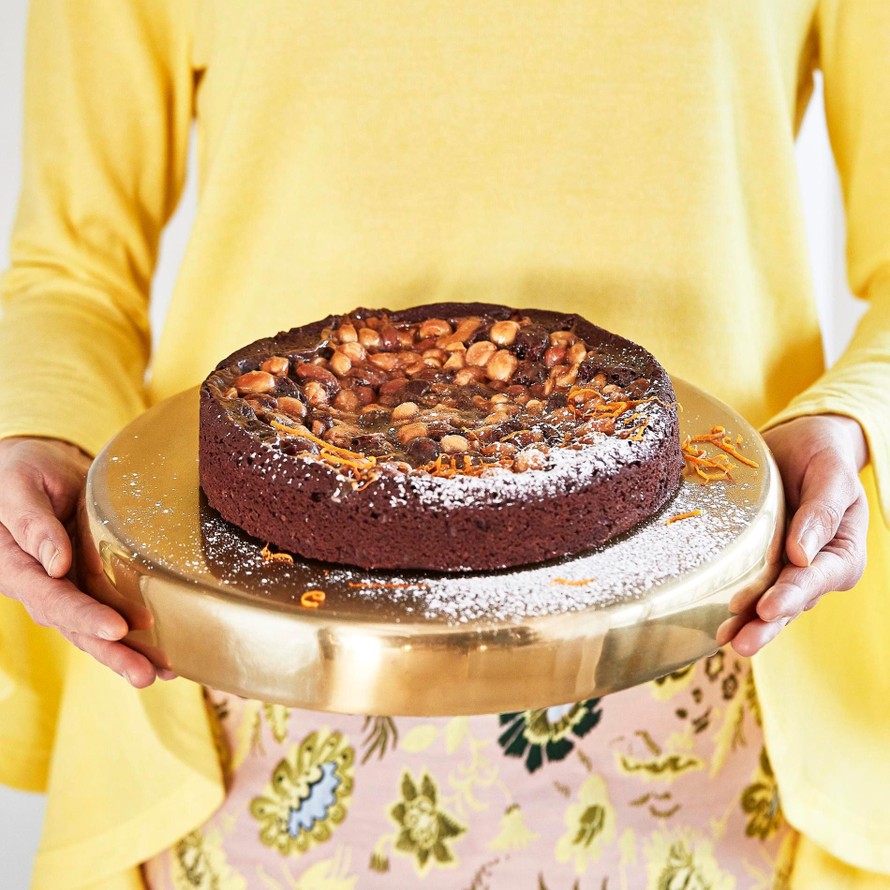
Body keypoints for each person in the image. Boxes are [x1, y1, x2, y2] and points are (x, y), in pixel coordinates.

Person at [1, 1, 889, 887]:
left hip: (707, 668)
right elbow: (74, 273)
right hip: (242, 676)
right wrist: (40, 430)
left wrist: (849, 418)